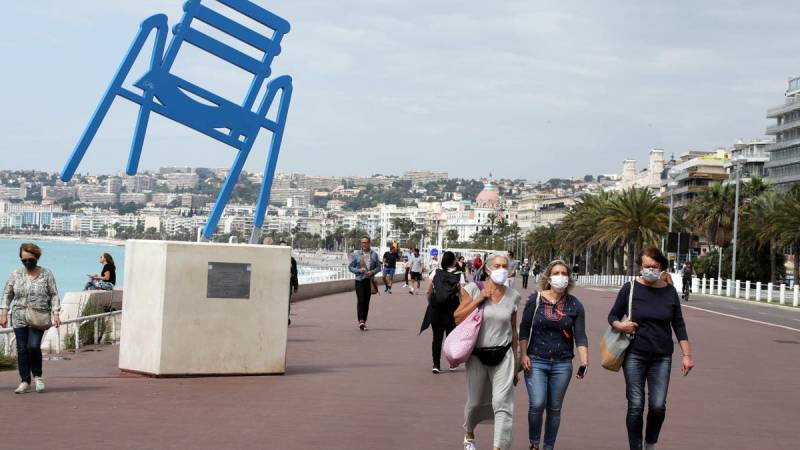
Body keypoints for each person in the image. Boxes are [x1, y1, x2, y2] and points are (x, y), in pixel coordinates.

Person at [607, 247, 694, 450]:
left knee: (657, 406)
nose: (650, 270)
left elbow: (679, 325)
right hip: (634, 355)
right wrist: (621, 325)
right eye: (646, 266)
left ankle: (650, 443)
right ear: (640, 266)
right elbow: (612, 316)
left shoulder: (669, 291)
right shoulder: (629, 288)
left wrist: (687, 355)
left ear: (662, 267)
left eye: (654, 267)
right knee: (636, 405)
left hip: (662, 357)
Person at [519, 260, 588, 450]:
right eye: (556, 273)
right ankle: (534, 443)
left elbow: (581, 336)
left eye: (564, 273)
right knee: (537, 403)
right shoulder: (536, 299)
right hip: (536, 360)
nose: (560, 277)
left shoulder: (575, 305)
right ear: (548, 278)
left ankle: (548, 446)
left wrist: (584, 360)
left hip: (562, 364)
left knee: (554, 409)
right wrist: (524, 354)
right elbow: (524, 329)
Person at [455, 254, 522, 450]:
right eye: (497, 266)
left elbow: (514, 331)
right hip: (477, 355)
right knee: (475, 402)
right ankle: (469, 432)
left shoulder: (513, 296)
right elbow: (457, 318)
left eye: (505, 266)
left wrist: (516, 364)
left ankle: (499, 446)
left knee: (502, 403)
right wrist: (478, 300)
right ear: (487, 269)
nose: (501, 269)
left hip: (504, 355)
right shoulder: (473, 288)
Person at [1, 243, 62, 394]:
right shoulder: (16, 274)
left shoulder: (46, 274)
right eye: (24, 260)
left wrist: (56, 313)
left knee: (33, 346)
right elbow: (7, 294)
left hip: (38, 316)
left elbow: (54, 294)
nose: (27, 262)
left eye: (30, 259)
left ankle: (38, 376)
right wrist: (3, 313)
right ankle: (24, 381)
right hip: (19, 316)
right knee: (22, 349)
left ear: (37, 257)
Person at [425, 251, 464, 373]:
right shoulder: (459, 275)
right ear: (453, 261)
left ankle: (436, 364)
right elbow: (462, 294)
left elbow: (429, 291)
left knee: (437, 338)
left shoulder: (435, 273)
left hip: (437, 308)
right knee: (451, 337)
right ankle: (452, 363)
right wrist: (463, 309)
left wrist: (431, 302)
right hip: (452, 309)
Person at [348, 235, 381, 331]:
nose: (364, 244)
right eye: (362, 242)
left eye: (366, 242)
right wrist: (359, 270)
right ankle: (361, 321)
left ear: (369, 243)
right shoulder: (356, 254)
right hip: (359, 280)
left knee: (366, 302)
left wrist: (372, 272)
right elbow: (350, 267)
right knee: (361, 300)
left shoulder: (374, 254)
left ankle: (364, 321)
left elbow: (379, 267)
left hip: (369, 281)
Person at [278, 240, 298, 326]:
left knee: (286, 302)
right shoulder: (275, 258)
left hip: (288, 284)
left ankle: (286, 318)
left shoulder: (292, 261)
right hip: (277, 284)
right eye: (281, 247)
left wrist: (296, 285)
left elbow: (295, 273)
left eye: (285, 247)